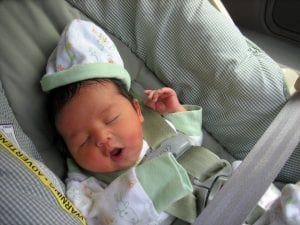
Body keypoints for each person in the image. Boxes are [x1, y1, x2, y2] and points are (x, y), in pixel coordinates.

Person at [41, 19, 300, 225]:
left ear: (137, 111)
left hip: (252, 192)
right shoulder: (87, 183)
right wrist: (151, 182)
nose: (101, 138)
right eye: (83, 140)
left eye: (111, 119)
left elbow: (189, 150)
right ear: (69, 150)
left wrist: (177, 116)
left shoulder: (155, 128)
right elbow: (94, 218)